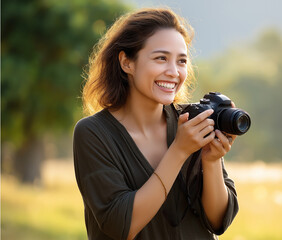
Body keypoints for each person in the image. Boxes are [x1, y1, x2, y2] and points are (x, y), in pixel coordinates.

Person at [73, 7, 239, 240]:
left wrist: (211, 161)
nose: (173, 72)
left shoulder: (192, 121)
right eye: (161, 58)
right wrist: (179, 151)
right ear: (126, 62)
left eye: (181, 61)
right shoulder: (93, 133)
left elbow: (218, 221)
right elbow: (122, 226)